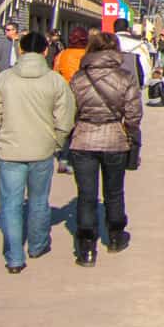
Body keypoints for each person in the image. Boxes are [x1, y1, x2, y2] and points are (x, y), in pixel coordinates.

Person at [0, 31, 75, 274]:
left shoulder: (4, 79)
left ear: (20, 50)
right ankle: (37, 244)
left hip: (10, 148)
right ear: (46, 51)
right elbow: (65, 116)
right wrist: (58, 141)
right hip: (42, 148)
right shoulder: (54, 80)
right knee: (38, 200)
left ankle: (14, 257)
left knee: (11, 204)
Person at [67, 31, 142, 266]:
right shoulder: (125, 77)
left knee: (86, 195)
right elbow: (133, 114)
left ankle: (87, 246)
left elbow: (69, 111)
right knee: (114, 192)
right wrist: (130, 132)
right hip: (114, 139)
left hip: (84, 138)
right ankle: (116, 236)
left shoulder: (79, 78)